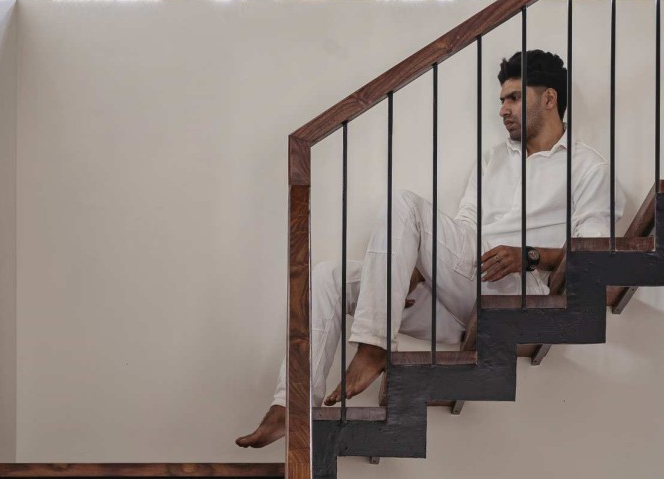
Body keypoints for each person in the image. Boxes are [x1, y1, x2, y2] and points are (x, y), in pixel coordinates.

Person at [237, 48, 626, 449]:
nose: (503, 110)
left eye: (513, 98)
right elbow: (463, 231)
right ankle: (292, 404)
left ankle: (373, 348)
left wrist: (528, 255)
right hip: (461, 293)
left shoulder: (588, 169)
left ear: (549, 98)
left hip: (517, 294)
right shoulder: (493, 161)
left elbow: (596, 254)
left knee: (404, 202)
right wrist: (415, 263)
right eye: (502, 100)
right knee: (327, 276)